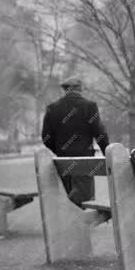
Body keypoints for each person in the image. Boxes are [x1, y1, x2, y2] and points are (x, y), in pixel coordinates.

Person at [41, 77, 109, 207]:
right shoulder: (89, 106)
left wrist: (61, 150)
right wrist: (108, 153)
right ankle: (82, 225)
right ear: (80, 88)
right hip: (84, 160)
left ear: (65, 90)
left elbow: (46, 138)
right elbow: (99, 133)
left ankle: (71, 224)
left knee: (68, 199)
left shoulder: (52, 108)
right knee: (85, 199)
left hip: (62, 162)